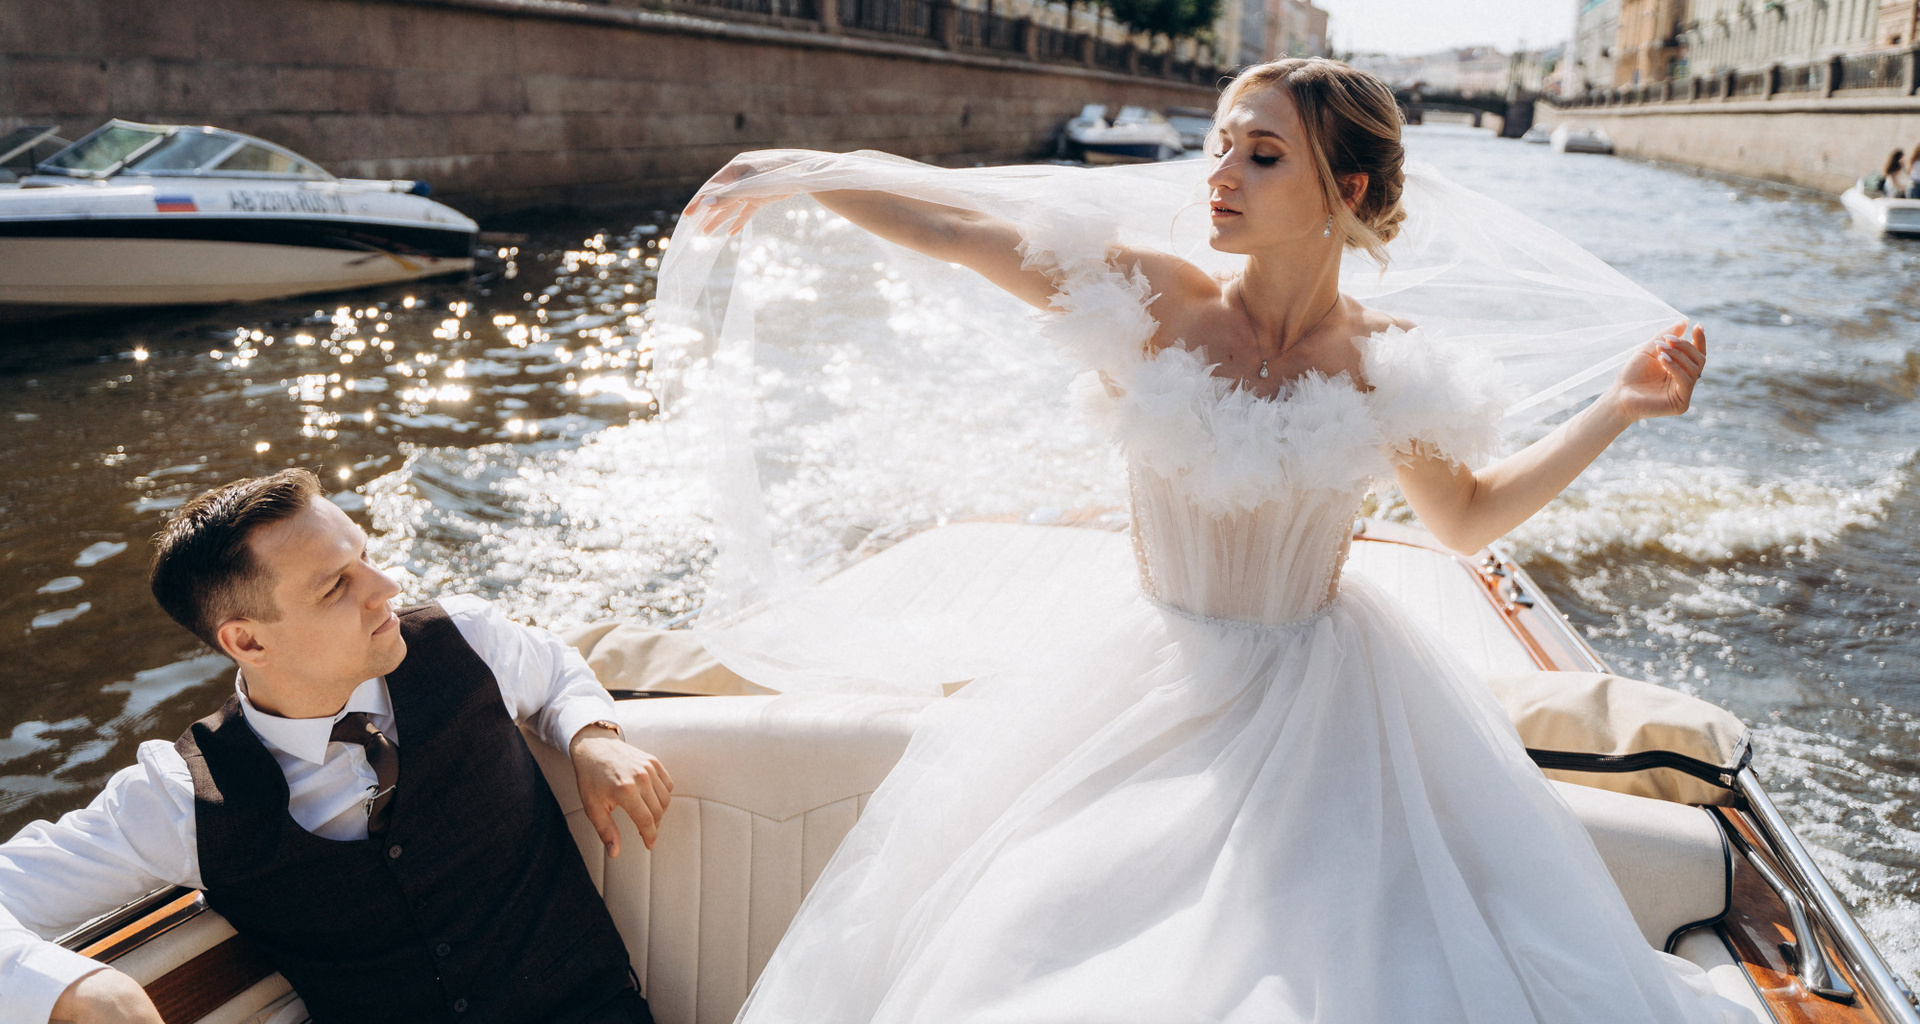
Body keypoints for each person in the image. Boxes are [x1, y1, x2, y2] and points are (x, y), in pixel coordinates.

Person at [661, 57, 1753, 1023]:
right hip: (1144, 677)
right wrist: (795, 170)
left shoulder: (1389, 359)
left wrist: (1618, 407)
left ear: (1347, 191)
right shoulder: (1153, 300)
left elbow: (1465, 516)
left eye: (1261, 155)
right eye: (1221, 146)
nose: (1220, 175)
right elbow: (951, 232)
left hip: (1327, 710)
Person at [0, 470, 673, 1024]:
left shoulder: (468, 642)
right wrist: (77, 991)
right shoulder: (181, 799)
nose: (386, 588)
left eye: (365, 557)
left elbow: (556, 672)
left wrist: (593, 737)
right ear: (247, 640)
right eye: (336, 585)